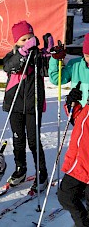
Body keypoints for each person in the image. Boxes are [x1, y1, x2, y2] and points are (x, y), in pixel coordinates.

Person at [2, 20, 49, 192]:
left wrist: (50, 53)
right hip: (15, 105)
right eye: (23, 39)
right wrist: (22, 52)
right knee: (18, 139)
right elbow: (9, 67)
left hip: (33, 105)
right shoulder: (12, 55)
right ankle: (20, 169)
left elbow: (47, 70)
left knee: (33, 140)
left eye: (30, 38)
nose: (28, 42)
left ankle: (41, 172)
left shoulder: (38, 56)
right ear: (16, 42)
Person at [57, 86, 89, 227]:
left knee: (66, 195)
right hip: (79, 162)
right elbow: (80, 121)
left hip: (83, 164)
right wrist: (73, 104)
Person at [49, 32, 89, 104]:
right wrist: (55, 59)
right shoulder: (75, 65)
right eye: (87, 56)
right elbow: (56, 79)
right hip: (79, 111)